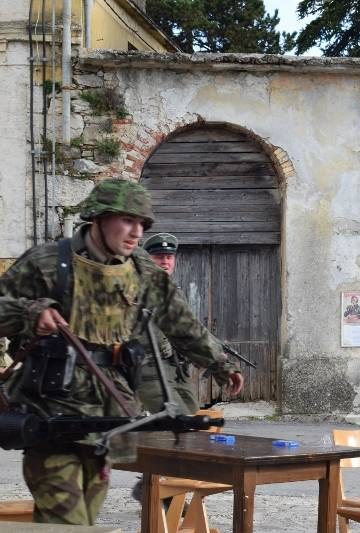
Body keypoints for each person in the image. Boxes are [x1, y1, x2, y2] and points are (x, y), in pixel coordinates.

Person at [0, 178, 244, 525]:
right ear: (98, 218)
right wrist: (29, 313)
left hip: (109, 411)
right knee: (67, 521)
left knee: (83, 517)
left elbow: (180, 321)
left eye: (142, 224)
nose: (136, 232)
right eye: (127, 220)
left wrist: (220, 364)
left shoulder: (141, 270)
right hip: (51, 405)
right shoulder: (47, 263)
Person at [136, 232, 198, 416]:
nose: (165, 262)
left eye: (169, 257)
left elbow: (187, 328)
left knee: (192, 413)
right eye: (159, 257)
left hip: (176, 366)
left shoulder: (174, 292)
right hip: (149, 367)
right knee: (176, 419)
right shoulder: (137, 289)